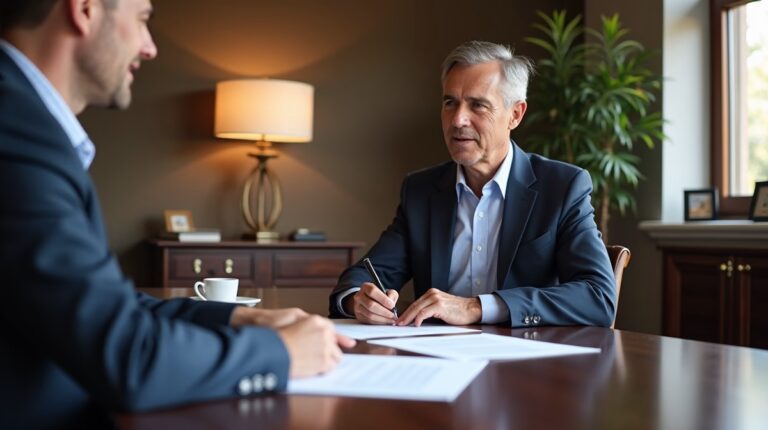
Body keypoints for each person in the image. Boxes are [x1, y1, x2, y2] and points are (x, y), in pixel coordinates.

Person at [0, 1, 354, 428]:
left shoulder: (24, 123)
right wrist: (281, 353)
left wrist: (241, 316)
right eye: (143, 19)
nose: (150, 48)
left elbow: (106, 307)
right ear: (86, 9)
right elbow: (129, 358)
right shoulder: (18, 139)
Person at [329, 41, 616, 328]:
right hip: (437, 358)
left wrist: (478, 307)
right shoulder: (421, 190)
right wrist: (359, 301)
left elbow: (598, 296)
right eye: (449, 102)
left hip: (525, 360)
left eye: (478, 105)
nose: (457, 119)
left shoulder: (562, 187)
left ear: (515, 114)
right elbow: (365, 276)